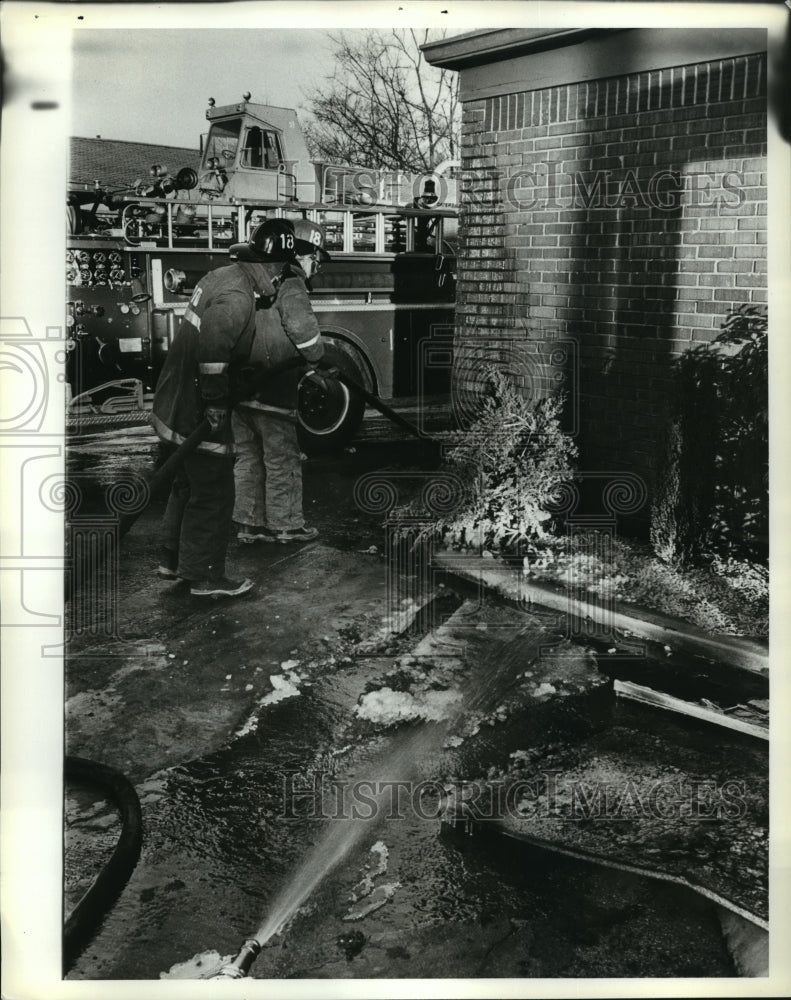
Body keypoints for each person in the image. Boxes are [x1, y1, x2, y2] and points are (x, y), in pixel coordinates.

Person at [150, 225, 295, 597]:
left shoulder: (223, 275)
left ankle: (174, 560)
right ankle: (204, 575)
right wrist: (215, 403)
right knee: (213, 489)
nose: (278, 282)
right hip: (197, 405)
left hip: (175, 396)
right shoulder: (238, 296)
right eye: (279, 272)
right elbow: (213, 353)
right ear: (269, 266)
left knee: (186, 482)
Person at [231, 218, 330, 545]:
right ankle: (286, 526)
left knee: (248, 458)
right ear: (304, 254)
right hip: (275, 389)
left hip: (241, 388)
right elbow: (303, 331)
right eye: (315, 258)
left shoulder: (251, 275)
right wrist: (317, 357)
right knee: (282, 459)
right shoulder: (291, 282)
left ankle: (250, 525)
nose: (315, 266)